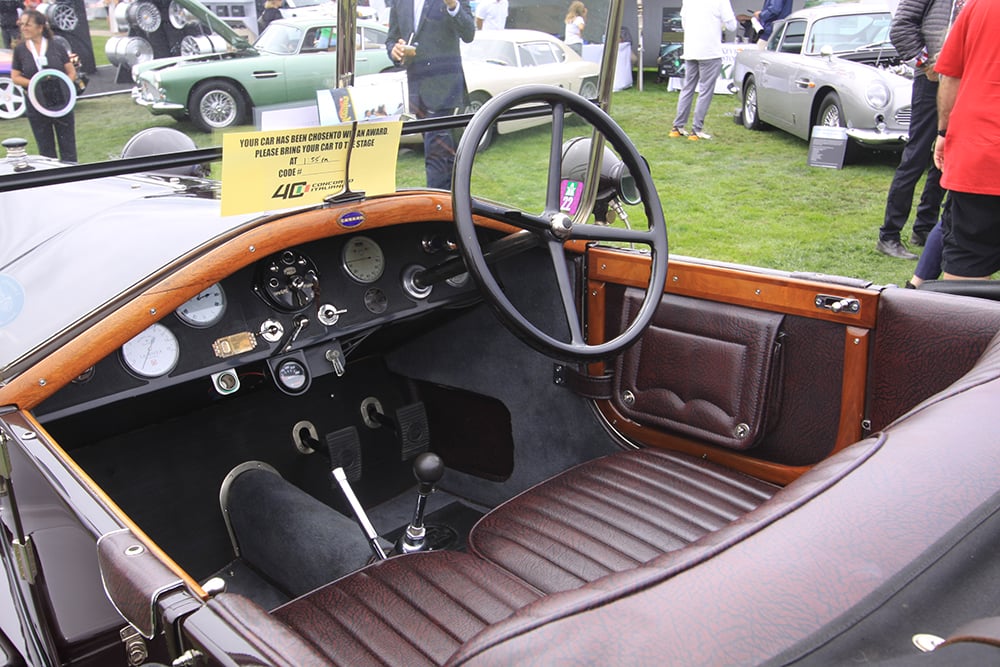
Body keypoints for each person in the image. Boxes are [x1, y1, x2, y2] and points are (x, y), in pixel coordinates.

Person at [876, 0, 961, 260]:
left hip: (960, 80)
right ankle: (889, 235)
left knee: (948, 151)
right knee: (915, 156)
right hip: (931, 78)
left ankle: (924, 227)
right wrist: (924, 63)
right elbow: (902, 26)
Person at [932, 0, 1000, 280]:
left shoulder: (980, 5)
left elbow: (951, 76)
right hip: (979, 152)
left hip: (978, 152)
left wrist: (943, 132)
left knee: (965, 275)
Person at [386, 0, 475, 189]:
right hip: (417, 89)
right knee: (442, 154)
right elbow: (391, 39)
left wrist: (452, 5)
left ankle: (438, 207)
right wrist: (394, 50)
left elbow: (469, 33)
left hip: (445, 88)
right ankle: (452, 203)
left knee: (436, 154)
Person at [10, 9, 77, 162]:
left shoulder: (56, 46)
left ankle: (72, 173)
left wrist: (64, 84)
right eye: (22, 24)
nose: (23, 28)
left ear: (40, 27)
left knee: (67, 143)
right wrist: (36, 84)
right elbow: (15, 77)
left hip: (60, 100)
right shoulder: (20, 50)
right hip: (36, 101)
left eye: (28, 25)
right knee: (45, 146)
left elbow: (71, 72)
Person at [668, 0, 736, 141]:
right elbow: (732, 25)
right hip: (710, 51)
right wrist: (720, 25)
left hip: (691, 49)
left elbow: (684, 23)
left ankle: (677, 127)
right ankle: (696, 130)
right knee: (705, 91)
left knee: (687, 88)